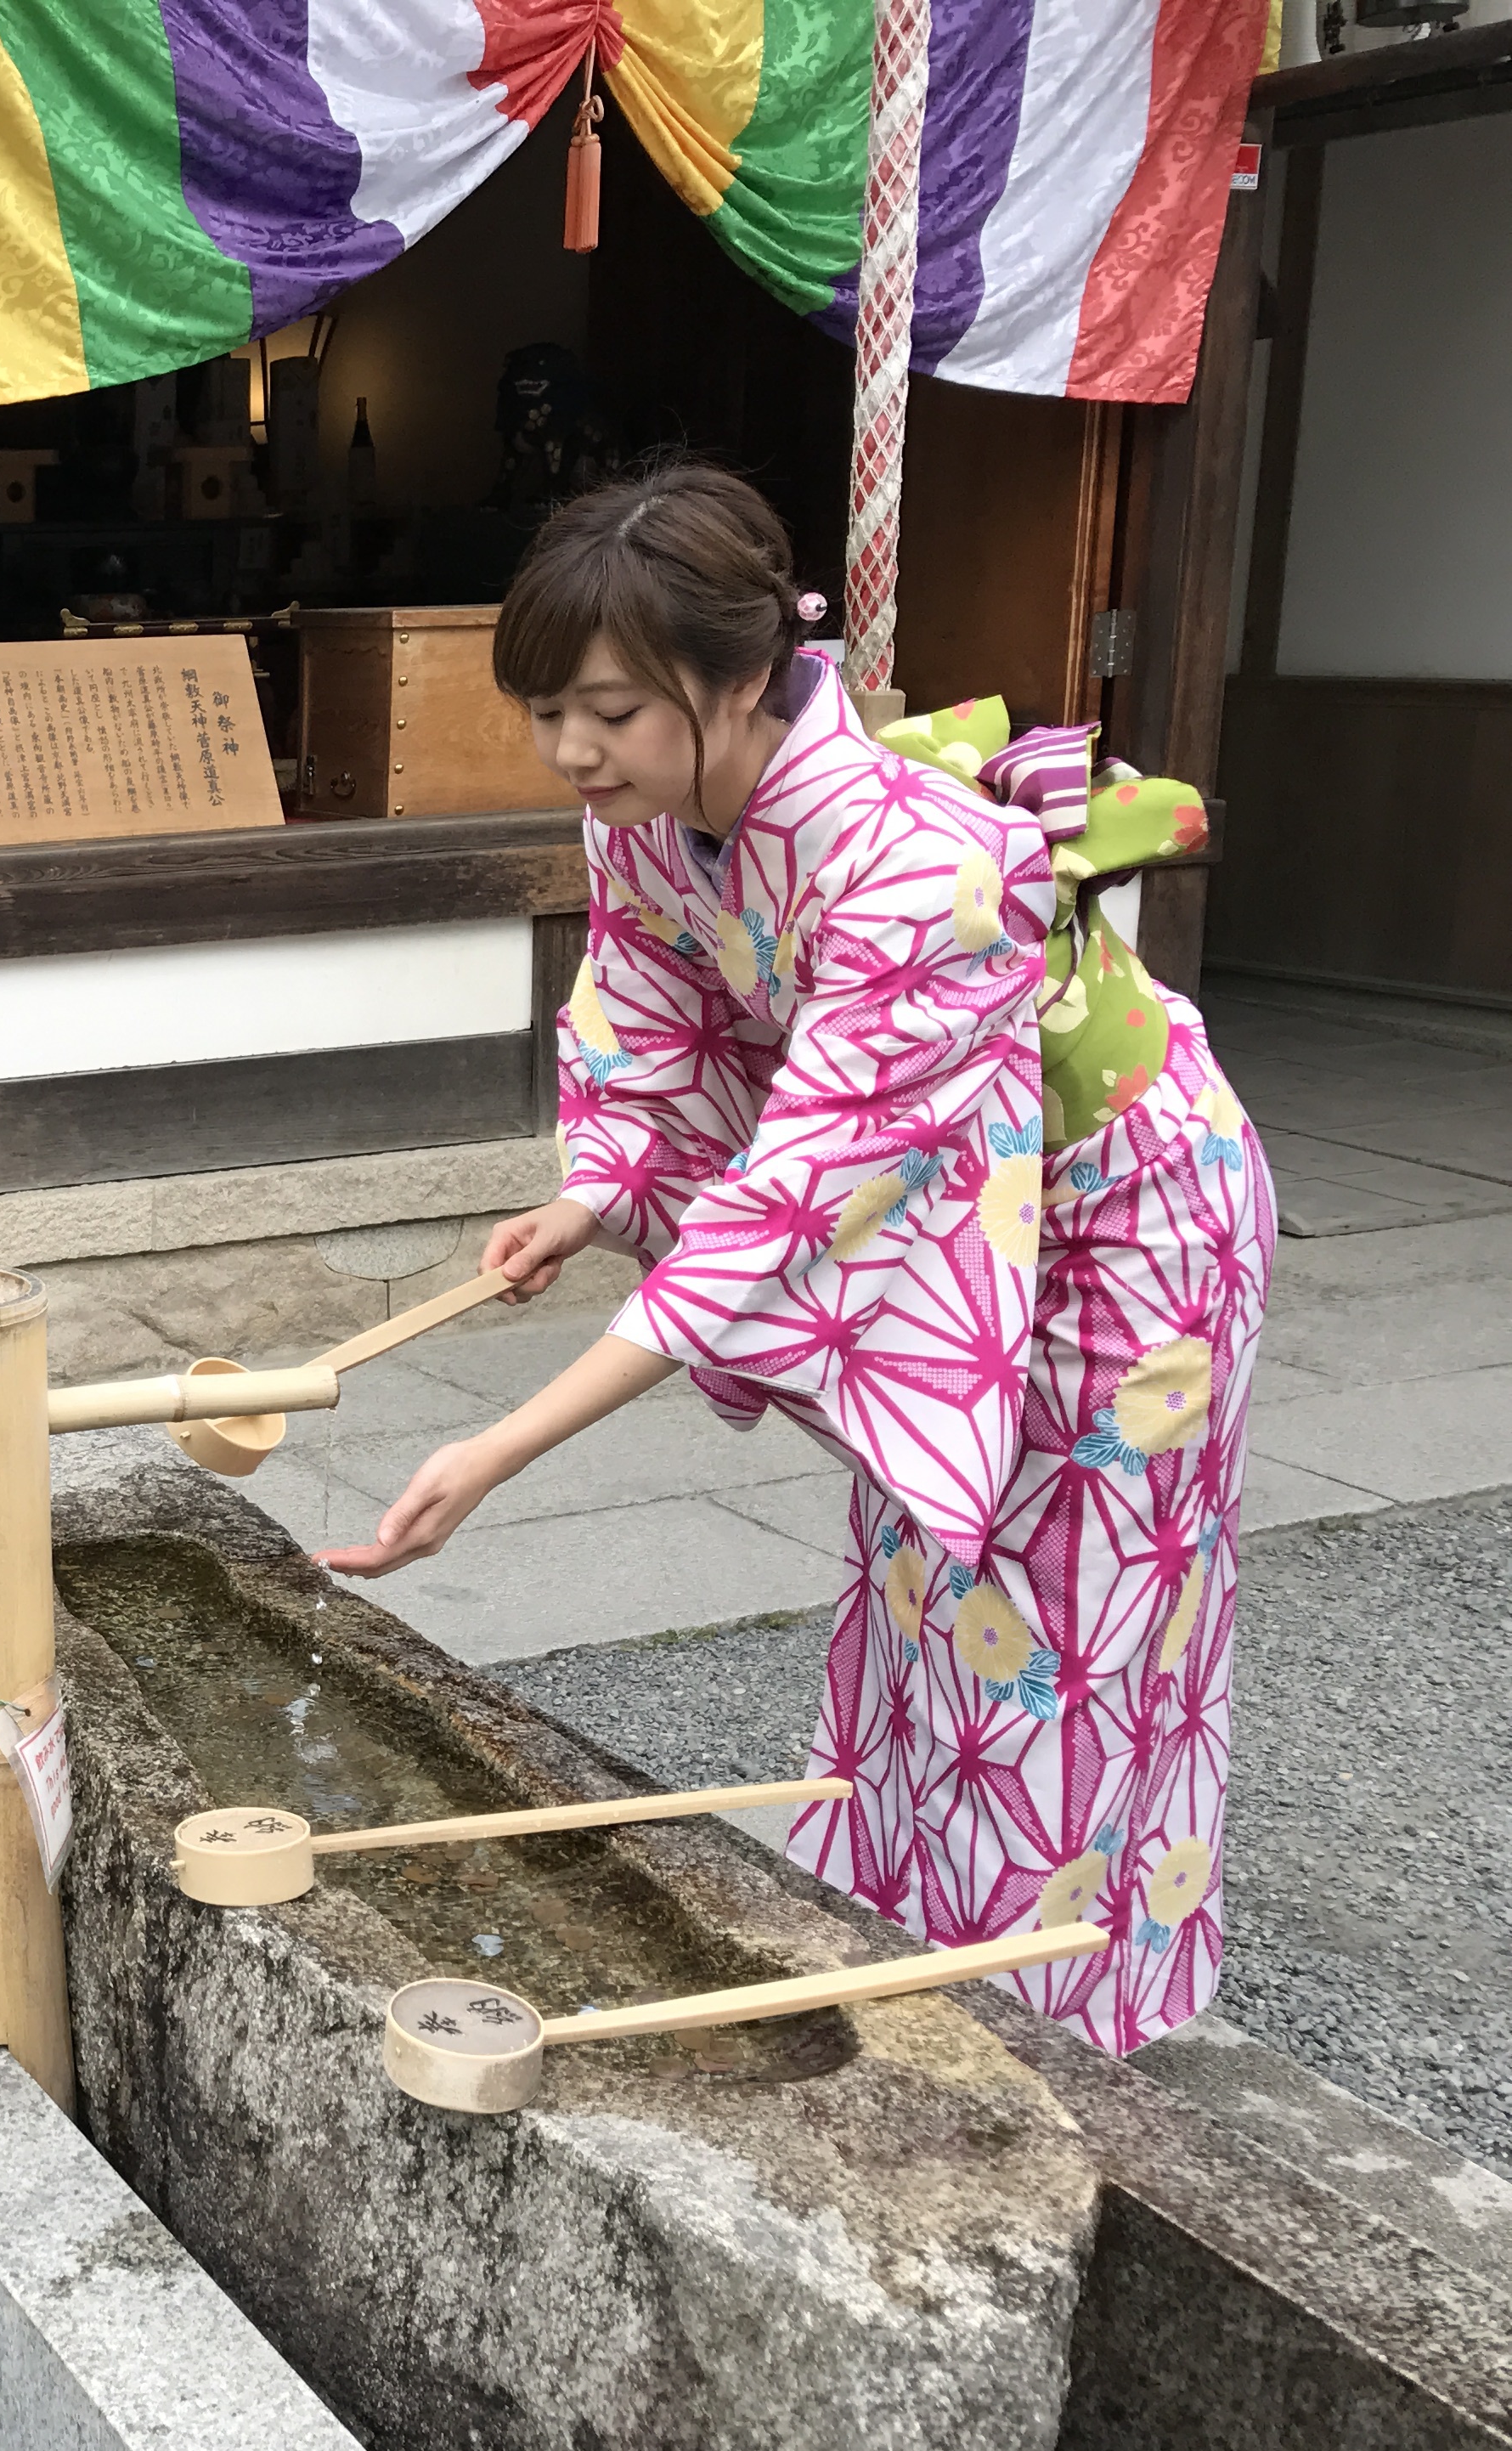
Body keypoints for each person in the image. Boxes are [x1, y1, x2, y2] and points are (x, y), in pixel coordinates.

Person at [315, 464, 1273, 2055]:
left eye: (611, 711)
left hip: (1123, 1220)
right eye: (549, 709)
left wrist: (498, 1447)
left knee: (1087, 1616)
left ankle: (1075, 2019)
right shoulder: (649, 817)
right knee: (931, 1590)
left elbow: (789, 1201)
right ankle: (918, 1952)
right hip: (962, 1206)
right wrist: (600, 1186)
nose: (572, 752)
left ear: (745, 677)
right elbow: (653, 1019)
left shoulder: (917, 864)